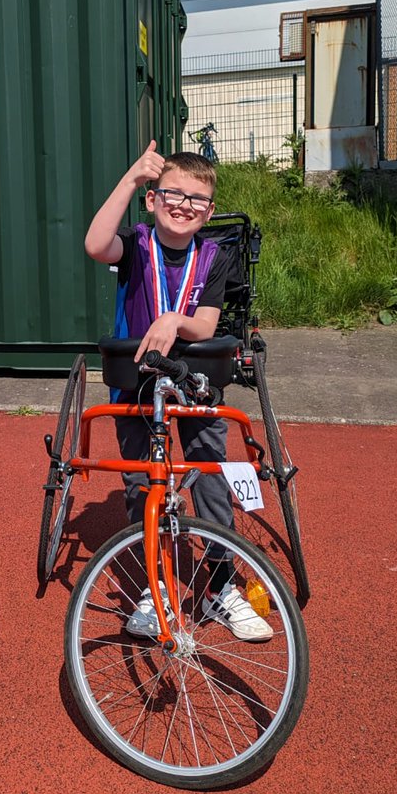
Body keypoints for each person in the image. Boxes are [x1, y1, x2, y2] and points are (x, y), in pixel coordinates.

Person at [84, 140, 272, 641]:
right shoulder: (136, 245)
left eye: (197, 200)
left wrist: (174, 319)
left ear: (209, 211)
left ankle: (217, 586)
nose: (184, 205)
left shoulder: (212, 256)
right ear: (152, 198)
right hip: (137, 382)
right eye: (173, 193)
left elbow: (207, 324)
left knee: (209, 474)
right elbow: (94, 244)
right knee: (141, 485)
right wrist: (129, 179)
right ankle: (155, 587)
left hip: (194, 381)